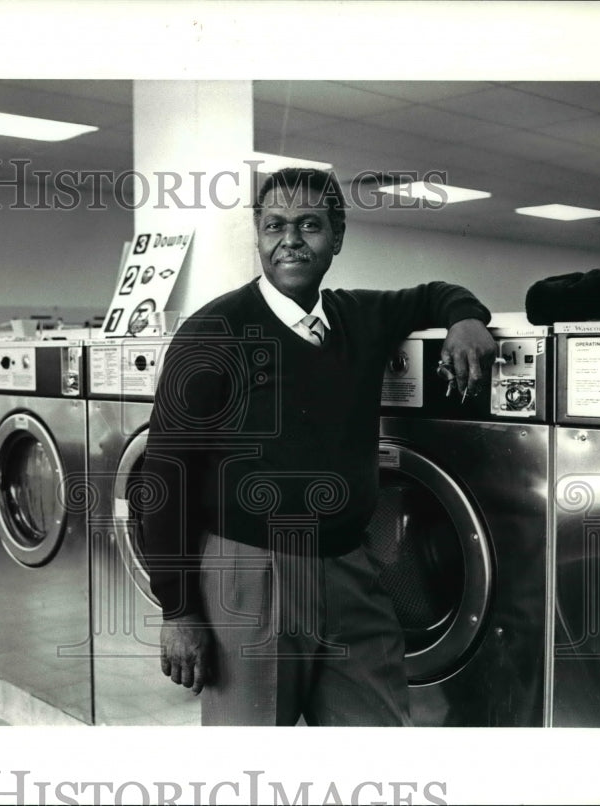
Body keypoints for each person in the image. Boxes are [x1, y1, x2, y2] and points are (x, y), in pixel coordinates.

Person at [139, 167, 496, 726]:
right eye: (275, 225)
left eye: (310, 224)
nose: (291, 239)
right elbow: (162, 480)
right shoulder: (214, 332)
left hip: (351, 565)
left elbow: (435, 293)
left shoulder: (360, 317)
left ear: (338, 237)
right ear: (257, 236)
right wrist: (178, 610)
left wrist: (468, 319)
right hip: (251, 574)